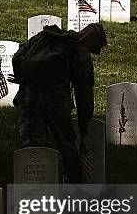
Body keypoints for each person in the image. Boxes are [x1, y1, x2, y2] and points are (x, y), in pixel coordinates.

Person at [10, 23, 107, 183]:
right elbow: (84, 93)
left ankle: (31, 187)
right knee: (67, 145)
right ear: (90, 38)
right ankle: (75, 186)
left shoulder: (43, 38)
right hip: (56, 104)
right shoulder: (78, 52)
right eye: (94, 46)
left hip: (29, 100)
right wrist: (84, 125)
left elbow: (17, 57)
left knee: (31, 148)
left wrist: (23, 78)